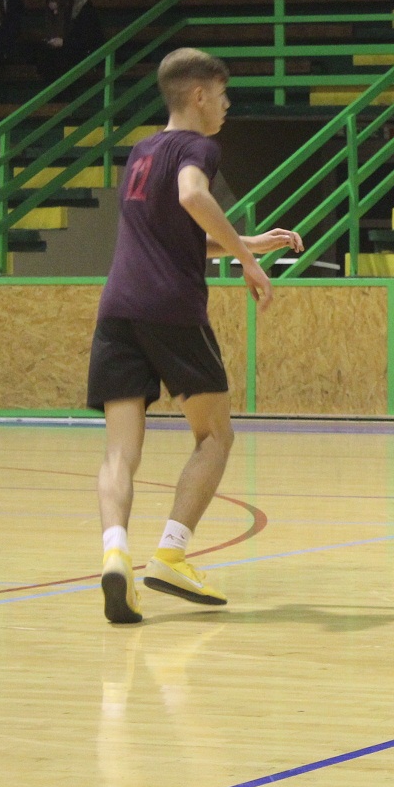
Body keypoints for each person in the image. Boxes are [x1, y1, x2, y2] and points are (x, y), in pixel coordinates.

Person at [90, 48, 304, 624]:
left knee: (120, 452)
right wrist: (247, 262)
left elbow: (172, 235)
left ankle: (115, 554)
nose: (228, 106)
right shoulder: (198, 148)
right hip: (172, 310)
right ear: (200, 94)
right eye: (224, 95)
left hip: (118, 309)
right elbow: (191, 196)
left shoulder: (140, 152)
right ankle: (170, 555)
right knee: (214, 436)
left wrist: (247, 243)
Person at [34, 0, 104, 84]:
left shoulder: (84, 12)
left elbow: (88, 41)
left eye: (57, 9)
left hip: (86, 52)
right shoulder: (62, 14)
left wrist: (64, 43)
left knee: (57, 59)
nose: (55, 13)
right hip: (70, 49)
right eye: (52, 10)